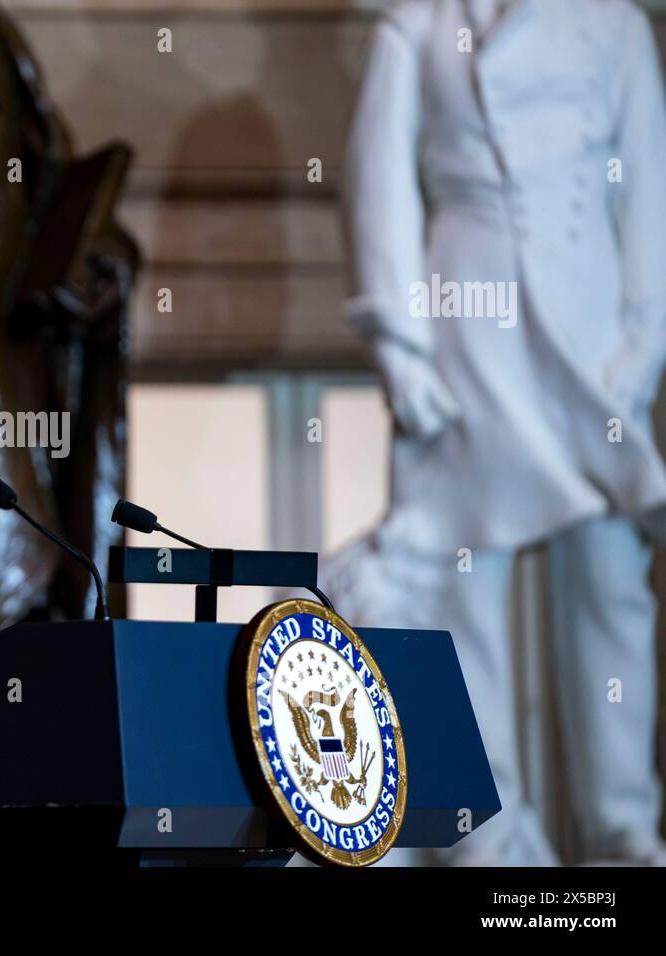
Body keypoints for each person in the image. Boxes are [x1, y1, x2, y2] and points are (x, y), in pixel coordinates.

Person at [326, 0, 666, 865]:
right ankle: (488, 842)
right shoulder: (419, 25)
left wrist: (641, 344)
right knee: (455, 580)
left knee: (610, 579)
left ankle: (625, 830)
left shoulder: (615, 25)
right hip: (464, 316)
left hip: (585, 329)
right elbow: (379, 185)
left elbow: (652, 189)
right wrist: (402, 348)